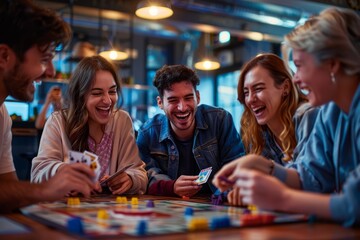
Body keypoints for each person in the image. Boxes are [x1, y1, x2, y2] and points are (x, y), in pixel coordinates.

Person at [213, 7, 360, 226]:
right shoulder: (330, 111)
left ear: (332, 64)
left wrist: (283, 198)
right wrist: (261, 165)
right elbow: (310, 178)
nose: (297, 79)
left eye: (299, 66)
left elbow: (353, 205)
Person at [0, 0, 96, 213]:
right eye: (45, 59)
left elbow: (7, 191)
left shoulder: (2, 114)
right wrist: (43, 190)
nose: (51, 72)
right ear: (4, 56)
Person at [31, 55, 148, 195]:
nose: (108, 101)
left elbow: (139, 172)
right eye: (97, 93)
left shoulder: (122, 120)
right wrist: (63, 172)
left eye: (112, 91)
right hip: (67, 212)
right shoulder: (58, 121)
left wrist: (131, 179)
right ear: (80, 96)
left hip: (110, 214)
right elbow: (37, 174)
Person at [136, 64, 245, 198]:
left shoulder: (220, 120)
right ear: (160, 103)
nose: (182, 107)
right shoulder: (147, 133)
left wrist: (221, 196)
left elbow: (236, 168)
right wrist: (172, 186)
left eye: (188, 98)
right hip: (170, 208)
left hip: (217, 202)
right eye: (173, 100)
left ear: (197, 97)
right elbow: (143, 177)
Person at [227, 53, 319, 206]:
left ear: (285, 87)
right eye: (246, 93)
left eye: (258, 89)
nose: (250, 99)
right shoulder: (256, 130)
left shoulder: (307, 115)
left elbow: (310, 184)